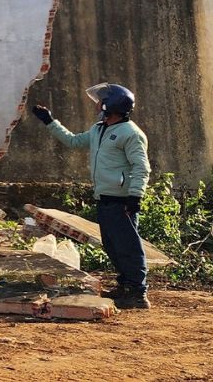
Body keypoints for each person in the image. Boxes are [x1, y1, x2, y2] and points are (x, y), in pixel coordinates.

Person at [31, 84, 151, 309]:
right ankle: (125, 286)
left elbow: (141, 167)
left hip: (121, 200)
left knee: (128, 247)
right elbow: (73, 141)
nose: (97, 104)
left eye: (101, 100)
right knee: (113, 245)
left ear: (110, 105)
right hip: (104, 197)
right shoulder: (99, 129)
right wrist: (49, 121)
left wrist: (135, 196)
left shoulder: (131, 133)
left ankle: (138, 293)